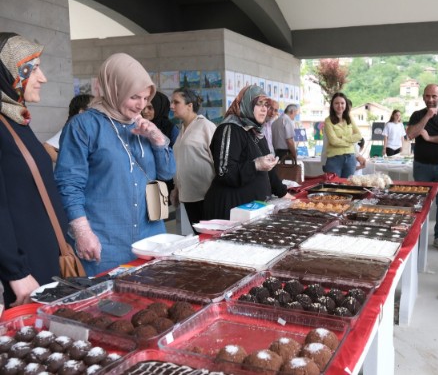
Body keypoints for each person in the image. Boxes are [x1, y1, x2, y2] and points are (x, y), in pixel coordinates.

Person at [55, 53, 176, 276]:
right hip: (105, 241)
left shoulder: (142, 125)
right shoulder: (84, 126)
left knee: (151, 305)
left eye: (145, 98)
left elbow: (167, 173)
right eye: (134, 97)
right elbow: (69, 184)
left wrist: (158, 140)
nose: (141, 105)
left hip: (150, 237)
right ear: (114, 89)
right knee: (107, 306)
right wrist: (82, 232)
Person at [0, 32, 64, 307]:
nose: (43, 78)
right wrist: (17, 272)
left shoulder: (16, 119)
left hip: (42, 264)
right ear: (8, 73)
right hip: (23, 277)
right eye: (33, 68)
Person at [202, 85, 289, 220]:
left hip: (252, 209)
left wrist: (283, 193)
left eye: (266, 105)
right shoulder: (230, 129)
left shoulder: (255, 131)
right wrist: (255, 165)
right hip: (230, 210)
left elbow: (268, 171)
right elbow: (224, 172)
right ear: (246, 104)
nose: (264, 109)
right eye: (258, 104)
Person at [406, 84, 438, 252]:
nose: (430, 99)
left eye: (434, 96)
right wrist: (427, 116)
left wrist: (430, 139)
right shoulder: (417, 115)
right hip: (421, 166)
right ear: (423, 97)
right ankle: (417, 235)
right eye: (427, 96)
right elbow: (411, 134)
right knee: (419, 203)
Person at [170, 87, 216, 227]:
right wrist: (176, 188)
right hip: (187, 195)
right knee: (196, 237)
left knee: (209, 237)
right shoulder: (182, 129)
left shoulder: (206, 126)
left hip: (206, 195)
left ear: (189, 106)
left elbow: (218, 161)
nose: (172, 106)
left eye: (176, 102)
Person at [43, 94, 94, 163]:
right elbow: (47, 147)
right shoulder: (72, 129)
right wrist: (67, 165)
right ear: (81, 112)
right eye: (94, 108)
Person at [323, 92, 362, 178]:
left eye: (342, 103)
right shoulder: (328, 121)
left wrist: (343, 138)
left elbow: (359, 135)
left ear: (346, 105)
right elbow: (333, 141)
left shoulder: (350, 118)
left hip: (351, 158)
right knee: (333, 186)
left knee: (348, 186)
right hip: (334, 159)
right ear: (332, 105)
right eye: (336, 103)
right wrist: (350, 142)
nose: (339, 106)